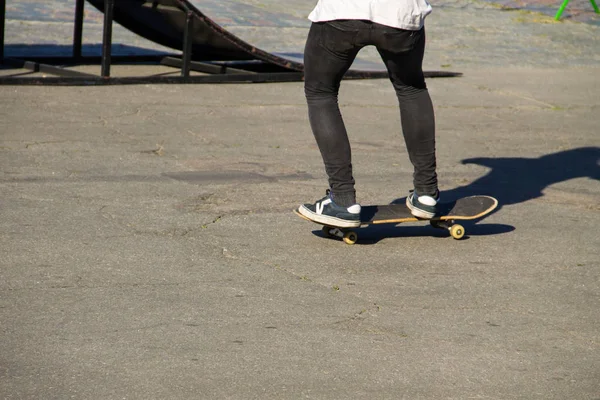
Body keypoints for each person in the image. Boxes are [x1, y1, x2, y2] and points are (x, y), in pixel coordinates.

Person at [297, 0, 440, 228]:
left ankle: (343, 200)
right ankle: (426, 193)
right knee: (412, 89)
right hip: (400, 14)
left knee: (320, 92)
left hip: (342, 13)